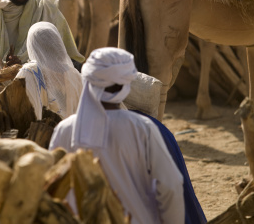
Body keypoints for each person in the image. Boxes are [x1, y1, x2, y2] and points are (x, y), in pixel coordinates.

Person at [49, 47, 184, 224]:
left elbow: (52, 185)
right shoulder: (143, 128)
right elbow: (170, 186)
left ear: (89, 80)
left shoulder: (65, 129)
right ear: (125, 84)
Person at [16, 21, 82, 119]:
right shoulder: (75, 75)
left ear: (32, 45)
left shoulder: (28, 73)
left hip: (38, 133)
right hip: (70, 133)